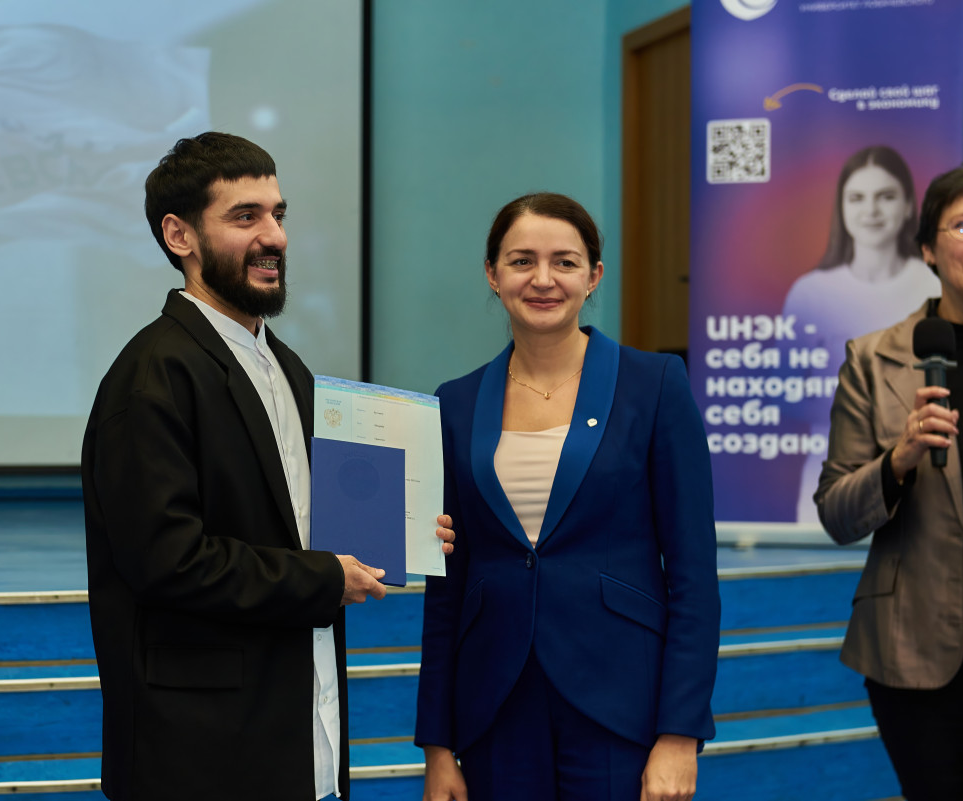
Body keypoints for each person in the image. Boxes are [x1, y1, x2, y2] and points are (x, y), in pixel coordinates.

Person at [81, 132, 453, 801]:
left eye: (278, 214)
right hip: (201, 756)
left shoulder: (284, 365)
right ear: (179, 235)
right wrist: (324, 577)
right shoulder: (153, 376)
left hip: (289, 729)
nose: (274, 236)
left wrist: (406, 533)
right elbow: (168, 561)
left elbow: (306, 520)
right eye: (245, 216)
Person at [416, 193, 720, 801]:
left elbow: (693, 577)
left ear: (594, 276)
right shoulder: (455, 402)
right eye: (522, 260)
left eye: (565, 262)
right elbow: (446, 588)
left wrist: (680, 733)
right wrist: (437, 746)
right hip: (495, 705)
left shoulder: (656, 384)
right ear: (493, 273)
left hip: (620, 704)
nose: (543, 279)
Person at [816, 165, 963, 801]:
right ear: (928, 249)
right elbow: (836, 514)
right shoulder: (874, 359)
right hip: (916, 650)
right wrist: (896, 461)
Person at [782, 145, 941, 522]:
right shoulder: (810, 292)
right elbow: (782, 393)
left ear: (908, 205)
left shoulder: (934, 284)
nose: (871, 210)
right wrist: (864, 407)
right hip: (833, 486)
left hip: (927, 494)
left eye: (885, 196)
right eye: (857, 198)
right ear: (841, 207)